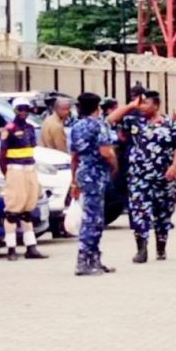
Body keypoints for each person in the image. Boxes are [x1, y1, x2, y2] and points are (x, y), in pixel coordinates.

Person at [108, 90, 176, 263]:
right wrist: (130, 106)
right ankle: (141, 249)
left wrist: (175, 166)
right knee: (139, 213)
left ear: (156, 105)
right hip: (139, 177)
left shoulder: (170, 125)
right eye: (140, 103)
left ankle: (161, 246)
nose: (142, 107)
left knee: (163, 215)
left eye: (145, 103)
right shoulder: (134, 122)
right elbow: (110, 120)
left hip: (163, 178)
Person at [69, 92, 118, 276]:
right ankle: (84, 261)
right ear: (97, 107)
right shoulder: (99, 126)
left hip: (84, 173)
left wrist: (73, 180)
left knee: (93, 217)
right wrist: (114, 164)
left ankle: (94, 258)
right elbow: (106, 151)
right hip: (96, 174)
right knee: (93, 219)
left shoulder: (76, 127)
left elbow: (73, 157)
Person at [0, 98, 49, 260]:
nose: (24, 112)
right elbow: (2, 155)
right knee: (12, 210)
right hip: (15, 169)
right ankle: (11, 248)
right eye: (20, 109)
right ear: (14, 110)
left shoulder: (29, 128)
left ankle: (31, 246)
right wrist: (6, 173)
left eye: (26, 109)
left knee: (28, 210)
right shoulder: (10, 128)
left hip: (29, 168)